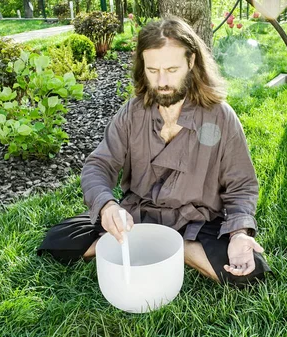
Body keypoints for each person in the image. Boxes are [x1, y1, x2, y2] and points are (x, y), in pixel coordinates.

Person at [38, 16, 270, 285]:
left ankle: (177, 248)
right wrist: (108, 206)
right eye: (153, 70)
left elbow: (241, 185)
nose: (162, 81)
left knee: (250, 273)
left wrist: (240, 233)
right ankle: (147, 241)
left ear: (191, 62)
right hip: (139, 217)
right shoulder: (133, 112)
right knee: (58, 240)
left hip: (197, 223)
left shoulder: (220, 116)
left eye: (172, 69)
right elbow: (99, 165)